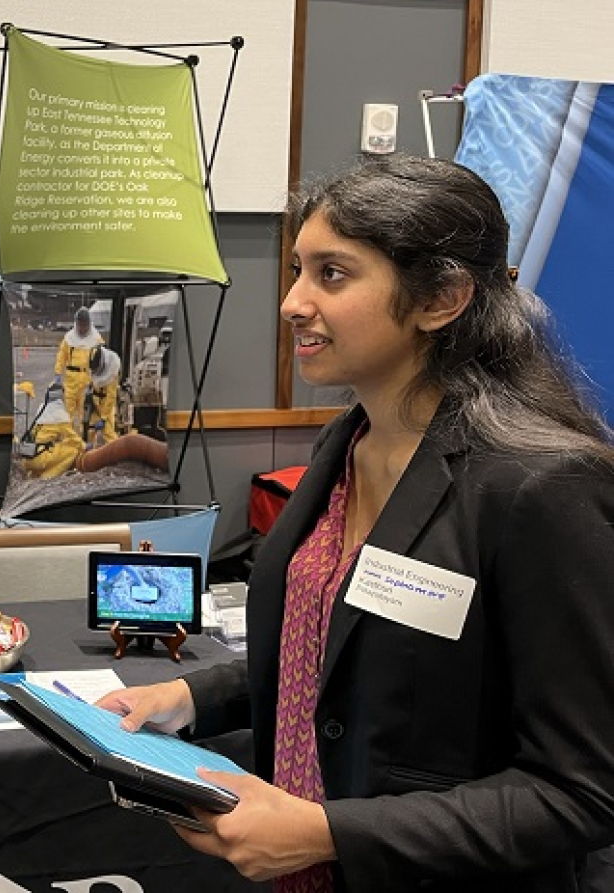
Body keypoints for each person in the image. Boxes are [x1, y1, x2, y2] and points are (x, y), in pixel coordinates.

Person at [98, 155, 614, 892]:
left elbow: (584, 790)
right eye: (297, 269)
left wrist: (326, 832)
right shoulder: (345, 444)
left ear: (442, 297)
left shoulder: (543, 486)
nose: (291, 302)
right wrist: (188, 698)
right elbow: (340, 651)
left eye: (332, 274)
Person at [54, 306, 102, 431]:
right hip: (70, 380)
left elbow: (102, 360)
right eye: (80, 324)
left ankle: (85, 443)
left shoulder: (96, 339)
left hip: (87, 380)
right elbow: (62, 355)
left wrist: (97, 380)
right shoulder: (69, 338)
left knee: (85, 414)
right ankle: (67, 442)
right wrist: (58, 373)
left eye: (84, 324)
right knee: (67, 413)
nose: (82, 327)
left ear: (89, 324)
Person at [85, 344, 122, 447]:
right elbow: (92, 377)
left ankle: (117, 455)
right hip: (94, 401)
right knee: (89, 430)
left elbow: (110, 398)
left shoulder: (112, 374)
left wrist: (104, 418)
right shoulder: (94, 360)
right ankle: (91, 455)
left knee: (109, 435)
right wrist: (89, 388)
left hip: (106, 406)